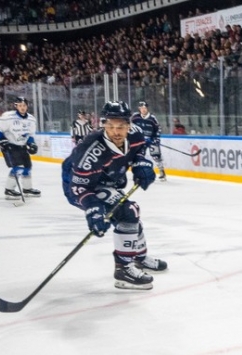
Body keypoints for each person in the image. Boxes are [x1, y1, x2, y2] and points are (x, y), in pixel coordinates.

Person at [61, 101, 167, 290]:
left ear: (129, 125)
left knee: (130, 217)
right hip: (81, 186)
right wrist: (93, 209)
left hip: (108, 180)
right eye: (110, 126)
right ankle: (123, 270)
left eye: (120, 127)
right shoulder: (91, 149)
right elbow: (79, 188)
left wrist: (141, 165)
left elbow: (139, 151)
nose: (115, 132)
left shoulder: (135, 133)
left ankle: (138, 258)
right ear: (103, 124)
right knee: (128, 212)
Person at [0, 96, 40, 200]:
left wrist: (32, 144)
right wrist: (2, 140)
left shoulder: (31, 119)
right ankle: (9, 190)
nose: (22, 107)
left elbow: (30, 135)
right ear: (16, 106)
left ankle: (27, 189)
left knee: (27, 167)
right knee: (18, 167)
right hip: (10, 146)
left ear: (27, 106)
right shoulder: (8, 117)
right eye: (20, 105)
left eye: (24, 105)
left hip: (22, 146)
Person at [131, 101, 166, 181]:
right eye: (141, 108)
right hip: (140, 141)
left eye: (145, 108)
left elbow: (158, 129)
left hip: (151, 140)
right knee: (139, 156)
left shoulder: (152, 118)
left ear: (147, 108)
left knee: (156, 156)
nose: (143, 109)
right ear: (139, 108)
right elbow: (130, 127)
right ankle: (140, 173)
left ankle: (162, 172)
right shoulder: (135, 117)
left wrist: (156, 139)